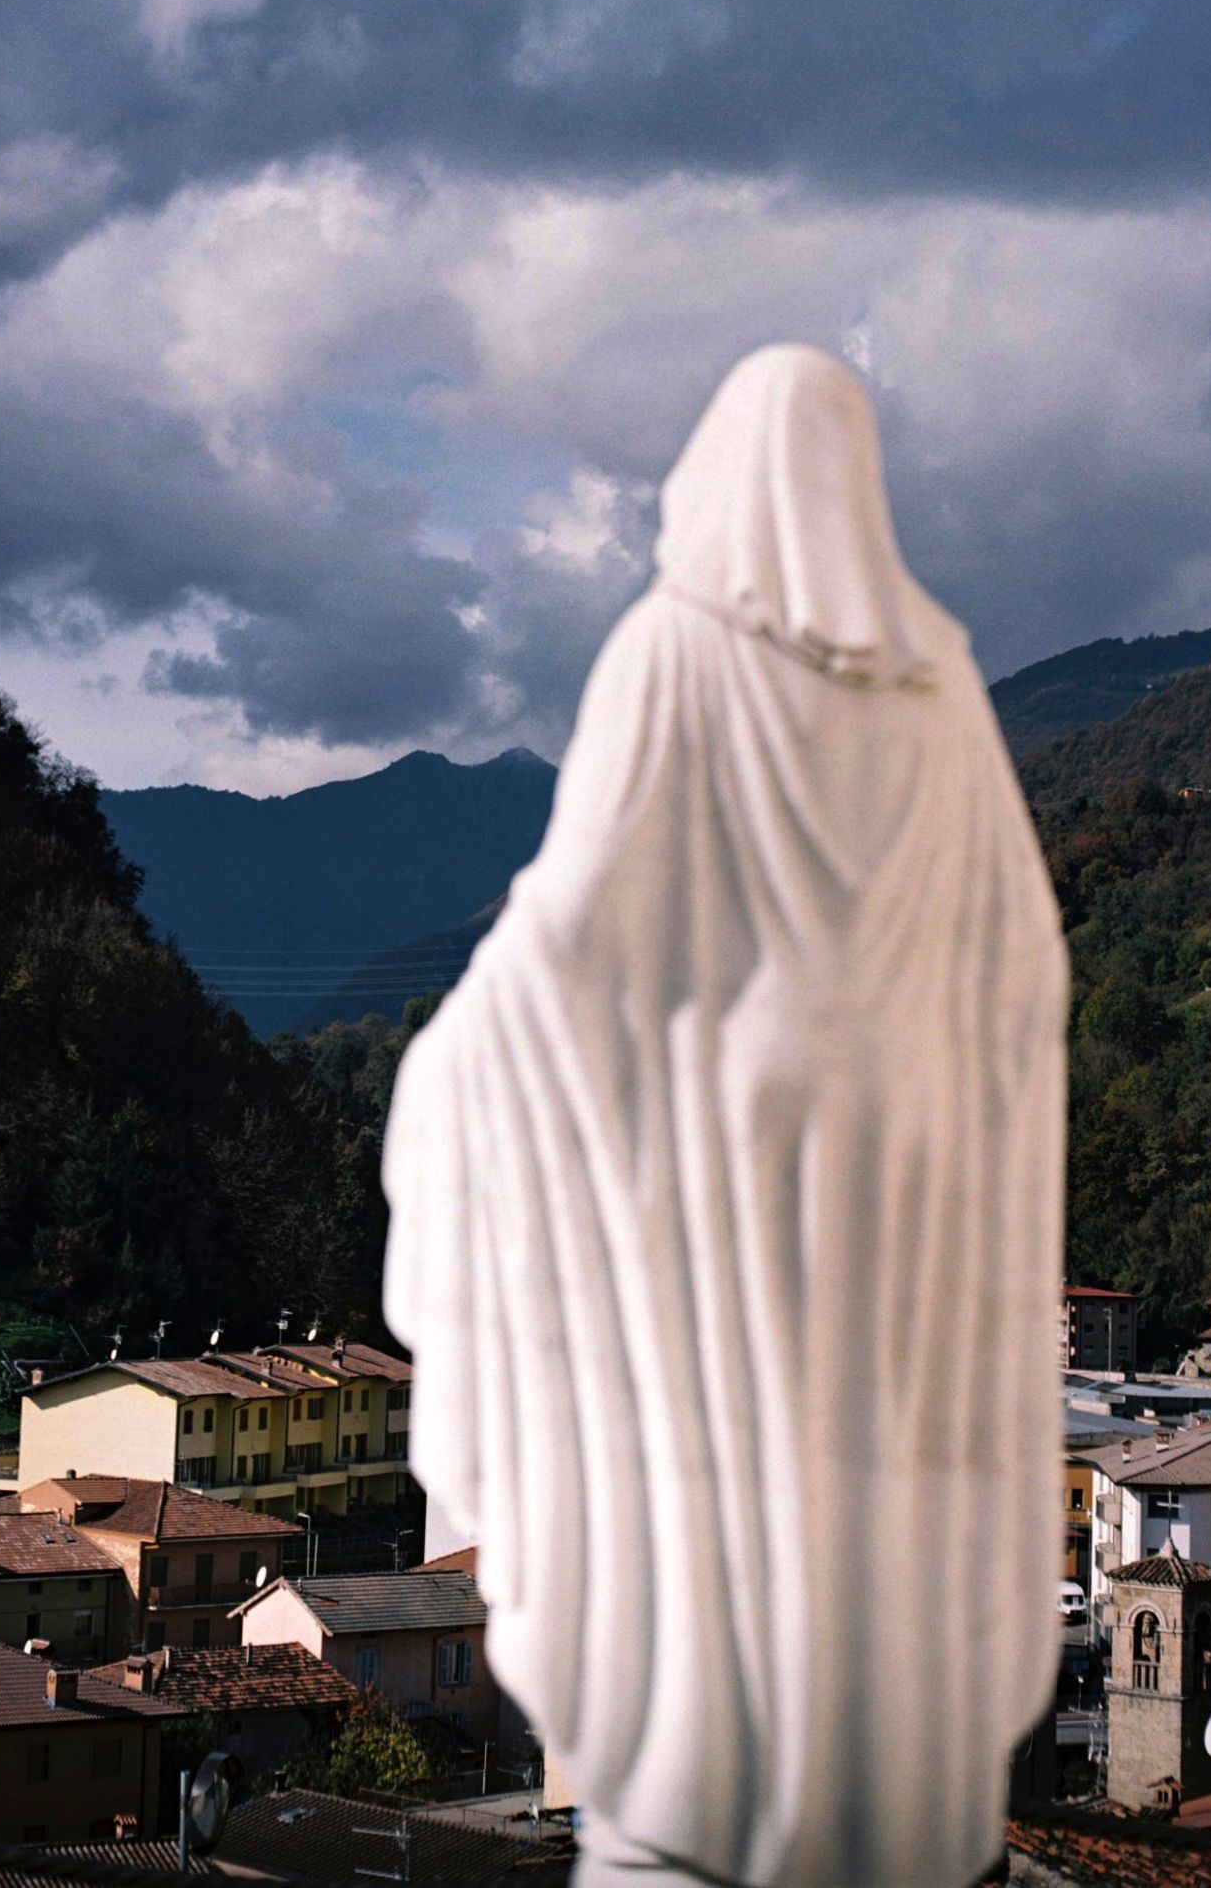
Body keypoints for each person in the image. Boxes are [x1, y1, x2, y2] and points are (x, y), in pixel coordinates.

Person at [383, 344, 1067, 1886]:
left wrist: (462, 1063)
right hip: (912, 1156)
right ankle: (877, 1773)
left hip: (731, 1149)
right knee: (873, 1457)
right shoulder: (944, 682)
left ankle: (718, 1769)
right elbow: (1026, 958)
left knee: (724, 1466)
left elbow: (571, 927)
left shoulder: (680, 652)